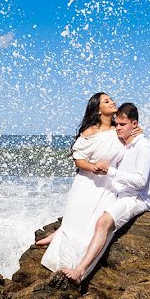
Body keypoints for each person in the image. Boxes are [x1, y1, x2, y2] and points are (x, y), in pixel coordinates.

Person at [61, 102, 150, 283]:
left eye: (122, 125)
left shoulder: (144, 147)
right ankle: (60, 235)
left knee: (102, 222)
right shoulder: (126, 144)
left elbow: (140, 182)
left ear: (134, 125)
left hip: (136, 198)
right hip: (121, 193)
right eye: (117, 124)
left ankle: (80, 271)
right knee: (87, 212)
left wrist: (110, 171)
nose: (118, 128)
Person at [38, 92, 130, 273]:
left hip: (108, 187)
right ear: (98, 110)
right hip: (86, 184)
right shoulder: (89, 132)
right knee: (75, 223)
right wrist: (93, 166)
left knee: (93, 227)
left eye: (111, 99)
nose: (112, 102)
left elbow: (135, 141)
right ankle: (63, 264)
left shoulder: (119, 129)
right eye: (107, 101)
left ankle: (79, 267)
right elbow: (78, 159)